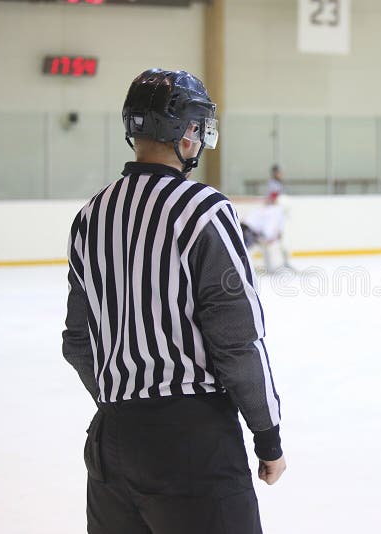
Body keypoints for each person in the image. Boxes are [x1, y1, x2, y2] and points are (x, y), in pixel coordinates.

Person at [62, 69, 285, 534]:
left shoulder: (90, 217)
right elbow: (237, 340)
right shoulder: (204, 210)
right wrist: (267, 435)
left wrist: (126, 404)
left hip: (112, 440)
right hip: (192, 445)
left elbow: (77, 340)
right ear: (186, 132)